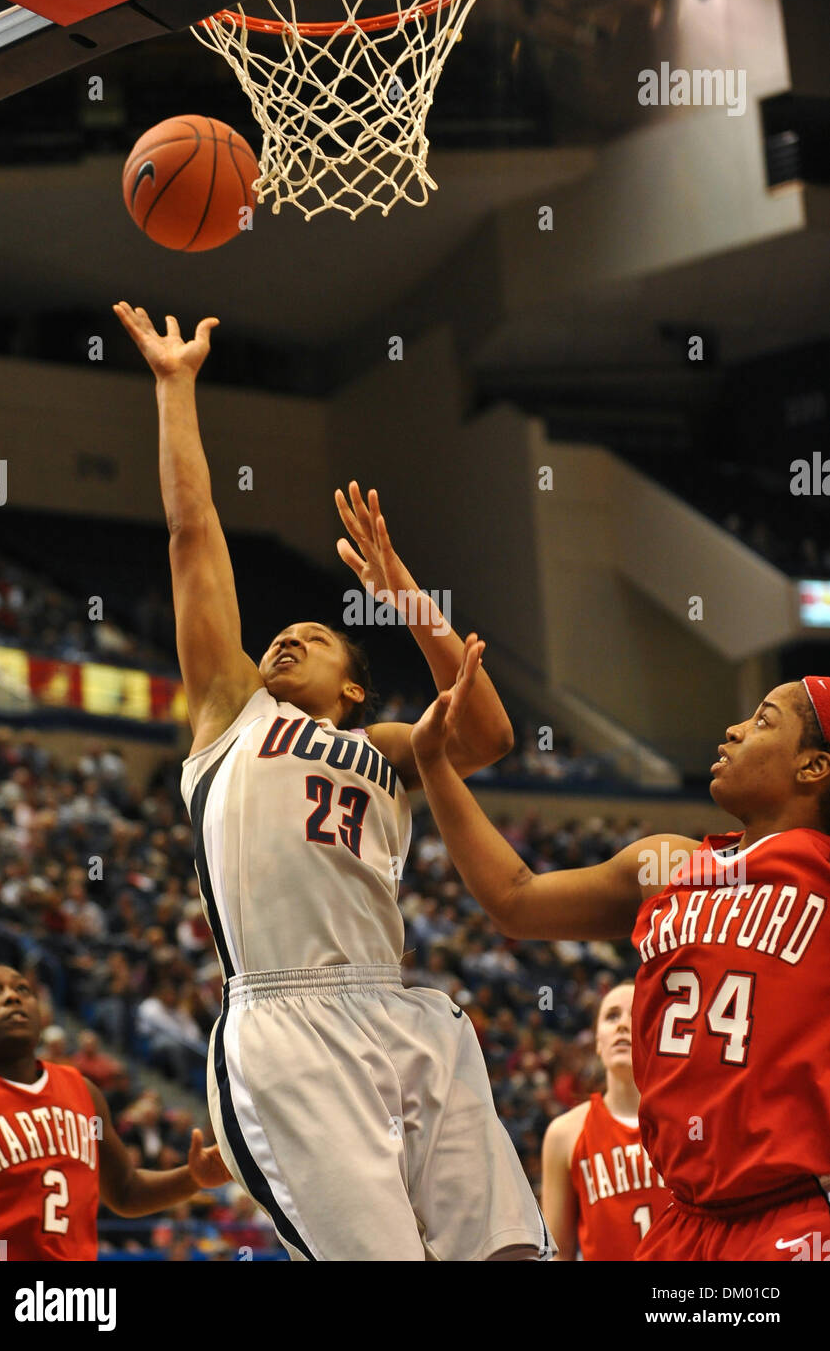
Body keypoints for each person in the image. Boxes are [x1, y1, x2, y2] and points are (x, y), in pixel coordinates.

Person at [111, 301, 552, 1263]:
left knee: (511, 1253)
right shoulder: (233, 713)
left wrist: (404, 598)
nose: (284, 638)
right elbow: (192, 534)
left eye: (311, 639)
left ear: (352, 686)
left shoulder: (394, 748)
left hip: (399, 1007)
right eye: (280, 635)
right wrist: (176, 388)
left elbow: (486, 731)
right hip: (284, 1021)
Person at [410, 643, 830, 1262]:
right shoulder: (665, 865)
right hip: (681, 1221)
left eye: (764, 720)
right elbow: (515, 900)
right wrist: (434, 765)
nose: (734, 730)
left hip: (792, 1212)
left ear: (813, 768)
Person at [0, 963, 230, 1260]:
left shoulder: (84, 1094)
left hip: (76, 1303)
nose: (12, 997)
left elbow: (125, 1190)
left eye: (22, 989)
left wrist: (193, 1177)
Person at [541, 981, 668, 1260]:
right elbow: (557, 1255)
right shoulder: (564, 1134)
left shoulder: (687, 1123)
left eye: (635, 1015)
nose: (623, 1025)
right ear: (598, 1042)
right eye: (612, 1016)